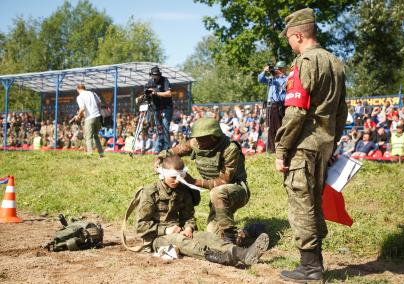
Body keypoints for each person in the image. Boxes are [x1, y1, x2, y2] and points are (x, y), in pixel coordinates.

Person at [276, 8, 348, 282]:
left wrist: (282, 149)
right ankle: (313, 262)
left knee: (301, 204)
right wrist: (332, 142)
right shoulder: (335, 63)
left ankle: (310, 267)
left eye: (289, 40)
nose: (290, 45)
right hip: (324, 145)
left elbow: (295, 112)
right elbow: (342, 111)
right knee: (314, 203)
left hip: (303, 146)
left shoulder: (304, 63)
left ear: (298, 35)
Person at [134, 155, 269, 266]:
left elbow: (188, 216)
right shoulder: (150, 193)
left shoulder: (183, 190)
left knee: (208, 237)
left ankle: (242, 253)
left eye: (179, 177)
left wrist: (188, 227)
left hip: (180, 231)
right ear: (162, 174)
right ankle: (223, 258)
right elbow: (140, 226)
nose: (176, 181)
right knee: (184, 242)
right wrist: (166, 230)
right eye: (173, 177)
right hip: (158, 238)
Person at [155, 118, 249, 244]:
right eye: (197, 138)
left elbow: (223, 181)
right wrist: (160, 157)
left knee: (217, 192)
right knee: (213, 234)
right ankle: (246, 232)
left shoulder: (229, 149)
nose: (199, 141)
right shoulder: (195, 143)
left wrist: (194, 181)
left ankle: (229, 238)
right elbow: (173, 151)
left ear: (214, 136)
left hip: (236, 191)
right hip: (217, 195)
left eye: (203, 138)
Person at [258, 61, 288, 153]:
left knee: (280, 127)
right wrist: (265, 71)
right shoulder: (271, 79)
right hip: (271, 105)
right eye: (276, 68)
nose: (277, 70)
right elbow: (260, 79)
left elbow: (285, 86)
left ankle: (281, 149)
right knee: (270, 128)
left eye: (279, 68)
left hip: (281, 105)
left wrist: (279, 77)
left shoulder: (287, 78)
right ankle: (271, 150)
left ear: (283, 69)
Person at [146, 66, 173, 153]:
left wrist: (156, 93)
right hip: (156, 108)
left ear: (159, 75)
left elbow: (169, 94)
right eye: (153, 75)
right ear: (151, 75)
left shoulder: (164, 80)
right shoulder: (150, 81)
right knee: (159, 128)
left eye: (156, 75)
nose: (155, 77)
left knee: (165, 126)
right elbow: (146, 92)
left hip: (167, 107)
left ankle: (166, 148)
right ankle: (158, 147)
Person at [73, 84, 104, 157]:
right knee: (96, 136)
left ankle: (90, 154)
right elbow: (99, 103)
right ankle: (101, 154)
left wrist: (78, 116)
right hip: (97, 117)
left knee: (88, 137)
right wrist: (98, 112)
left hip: (89, 118)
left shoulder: (80, 97)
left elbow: (82, 108)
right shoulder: (92, 93)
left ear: (77, 89)